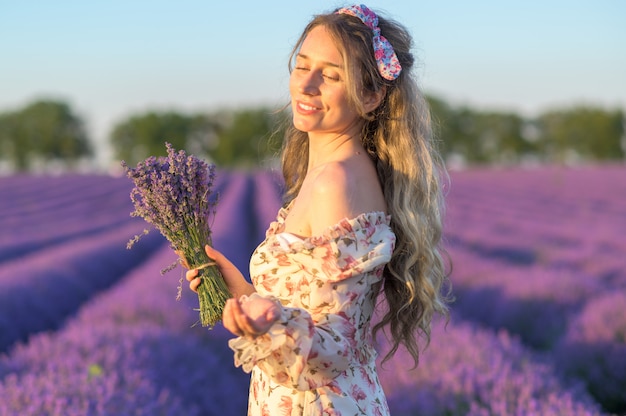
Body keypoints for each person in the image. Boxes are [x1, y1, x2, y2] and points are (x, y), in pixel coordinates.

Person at [186, 4, 451, 414]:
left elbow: (336, 349)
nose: (305, 85)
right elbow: (313, 310)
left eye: (330, 75)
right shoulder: (329, 174)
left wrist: (270, 321)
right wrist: (244, 296)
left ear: (371, 95)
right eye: (301, 66)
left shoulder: (336, 183)